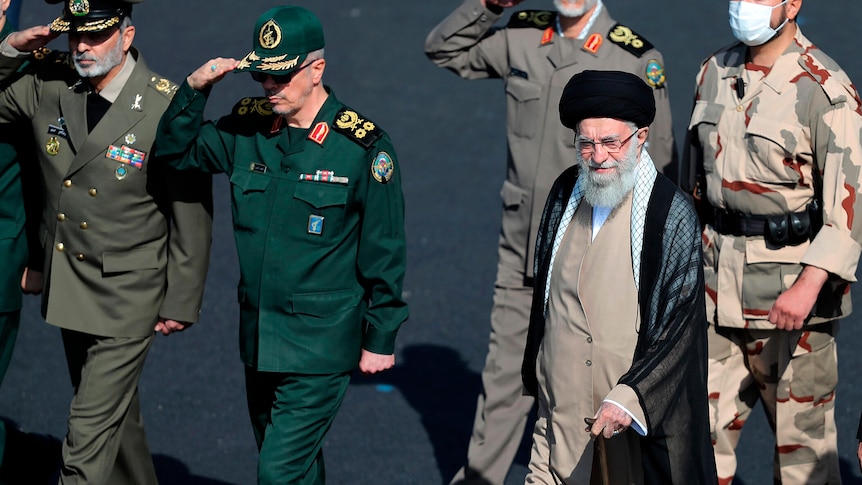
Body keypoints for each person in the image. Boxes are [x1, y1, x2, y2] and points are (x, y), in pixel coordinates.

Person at [153, 6, 409, 483]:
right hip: (259, 336)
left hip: (320, 342)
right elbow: (175, 153)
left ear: (317, 69)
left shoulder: (362, 147)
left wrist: (381, 336)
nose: (270, 88)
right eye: (263, 77)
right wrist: (194, 89)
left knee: (278, 472)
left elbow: (385, 246)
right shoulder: (247, 131)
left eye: (282, 76)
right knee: (295, 465)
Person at [424, 1, 675, 482]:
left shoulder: (634, 58)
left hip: (594, 262)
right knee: (503, 378)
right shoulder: (522, 37)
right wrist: (487, 7)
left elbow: (657, 164)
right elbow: (443, 50)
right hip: (524, 252)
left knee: (593, 384)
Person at [0, 0, 213, 482]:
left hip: (127, 295)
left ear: (127, 36)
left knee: (87, 435)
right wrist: (12, 48)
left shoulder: (164, 104)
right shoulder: (48, 84)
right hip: (70, 283)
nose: (82, 47)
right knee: (116, 423)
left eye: (96, 36)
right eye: (75, 35)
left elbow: (191, 210)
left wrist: (181, 298)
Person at [682, 0, 862, 483]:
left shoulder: (825, 89)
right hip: (714, 290)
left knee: (804, 461)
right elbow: (692, 184)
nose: (744, 7)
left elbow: (849, 208)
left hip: (791, 300)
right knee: (694, 444)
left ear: (792, 4)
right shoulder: (713, 72)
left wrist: (809, 286)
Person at [521, 69, 715, 484]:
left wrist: (630, 398)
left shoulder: (669, 212)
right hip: (560, 422)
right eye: (586, 143)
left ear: (640, 136)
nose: (598, 156)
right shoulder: (563, 194)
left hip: (630, 423)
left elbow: (681, 324)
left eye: (611, 142)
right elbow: (547, 301)